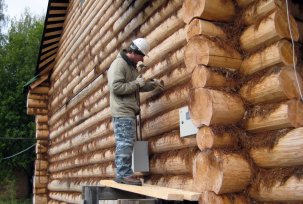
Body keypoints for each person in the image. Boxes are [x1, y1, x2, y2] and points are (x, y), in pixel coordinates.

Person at [107, 38, 163, 186]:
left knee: (127, 142)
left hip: (128, 111)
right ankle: (123, 174)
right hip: (122, 110)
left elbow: (136, 86)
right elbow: (116, 87)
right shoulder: (119, 64)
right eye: (142, 55)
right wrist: (136, 83)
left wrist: (152, 85)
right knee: (124, 143)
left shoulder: (130, 66)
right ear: (134, 52)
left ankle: (124, 173)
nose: (143, 58)